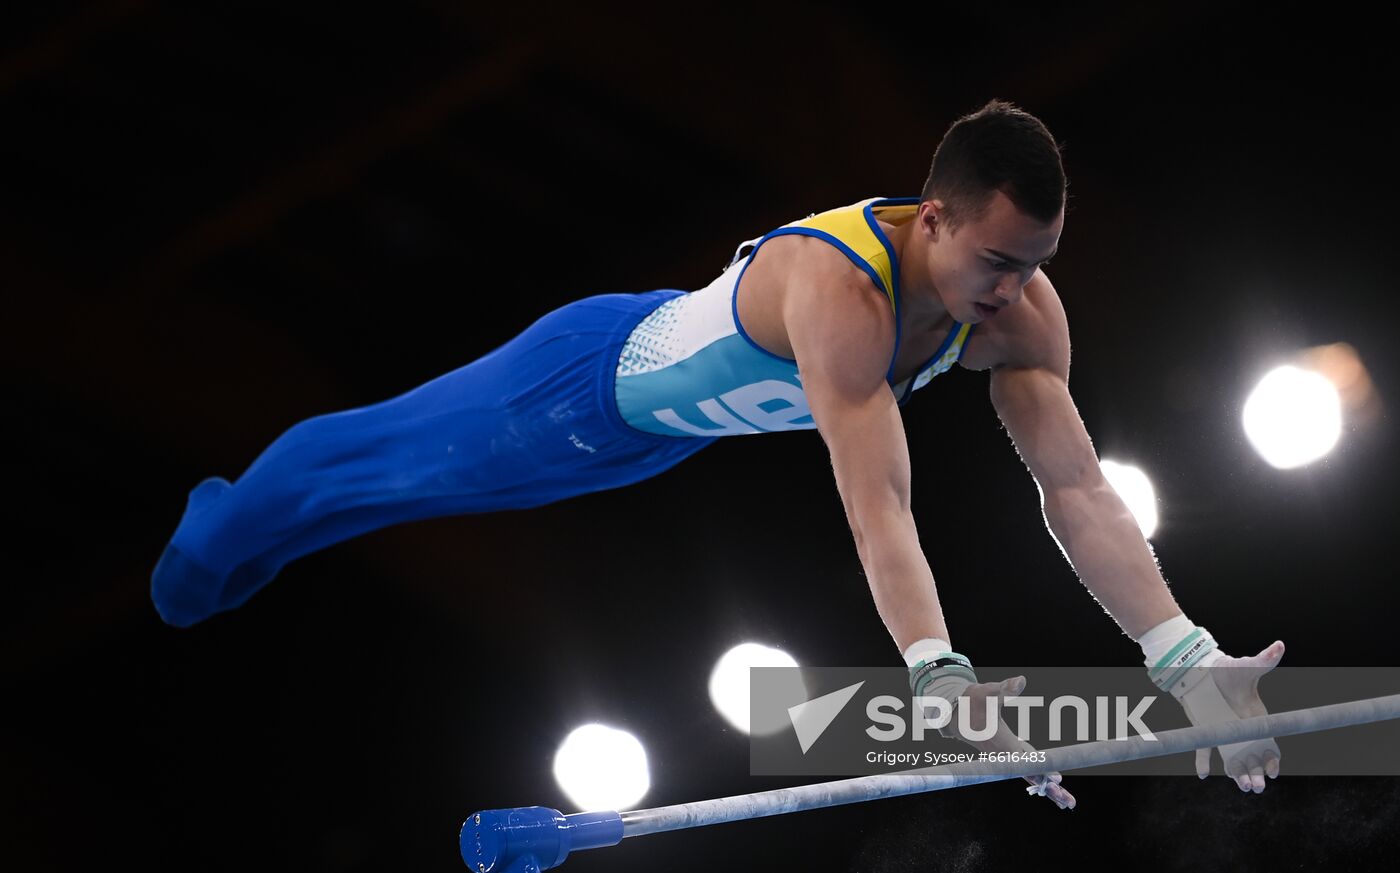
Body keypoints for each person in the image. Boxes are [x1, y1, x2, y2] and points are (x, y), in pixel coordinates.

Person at [151, 99, 1283, 810]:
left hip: (651, 444)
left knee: (394, 505)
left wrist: (1180, 655)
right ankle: (209, 543)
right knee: (376, 469)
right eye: (996, 260)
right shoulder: (844, 291)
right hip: (578, 385)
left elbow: (1075, 488)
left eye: (1035, 263)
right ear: (931, 218)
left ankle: (246, 536)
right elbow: (877, 507)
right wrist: (936, 678)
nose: (1013, 291)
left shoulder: (1020, 317)